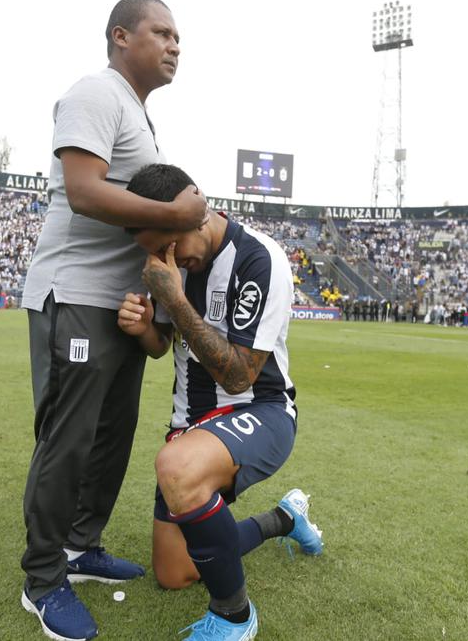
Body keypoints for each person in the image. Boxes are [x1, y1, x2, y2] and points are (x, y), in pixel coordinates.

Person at [17, 0, 207, 641]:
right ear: (121, 36)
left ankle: (79, 545)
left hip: (121, 307)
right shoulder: (96, 93)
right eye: (163, 32)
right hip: (75, 294)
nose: (175, 45)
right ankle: (43, 579)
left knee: (111, 437)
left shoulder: (141, 117)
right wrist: (182, 216)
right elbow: (82, 189)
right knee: (68, 439)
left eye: (180, 36)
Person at [117, 164, 323, 640]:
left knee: (176, 467)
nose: (160, 259)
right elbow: (162, 344)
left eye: (164, 246)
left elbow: (237, 375)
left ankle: (235, 615)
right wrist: (144, 325)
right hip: (190, 422)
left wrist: (176, 298)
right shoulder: (172, 267)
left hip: (261, 411)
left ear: (191, 217)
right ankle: (285, 518)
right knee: (175, 573)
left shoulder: (258, 258)